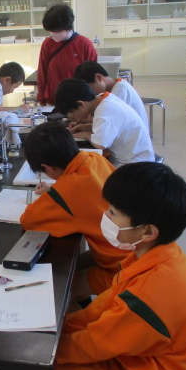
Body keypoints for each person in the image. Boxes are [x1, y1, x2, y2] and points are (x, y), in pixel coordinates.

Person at [17, 162, 186, 370]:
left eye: (113, 213)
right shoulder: (159, 257)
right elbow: (101, 311)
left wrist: (38, 349)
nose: (105, 216)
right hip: (140, 360)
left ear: (148, 232)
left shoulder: (149, 294)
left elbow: (94, 343)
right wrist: (54, 329)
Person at [20, 122, 123, 298]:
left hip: (122, 270)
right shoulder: (94, 159)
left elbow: (28, 220)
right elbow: (87, 195)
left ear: (48, 167)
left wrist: (54, 195)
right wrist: (55, 192)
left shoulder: (67, 190)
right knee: (72, 266)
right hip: (129, 251)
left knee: (57, 293)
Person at [54, 79, 154, 167]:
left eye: (71, 112)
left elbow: (100, 143)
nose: (71, 116)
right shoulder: (103, 99)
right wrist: (84, 127)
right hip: (131, 158)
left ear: (81, 104)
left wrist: (86, 135)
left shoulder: (105, 110)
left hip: (134, 164)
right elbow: (108, 127)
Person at [37, 4, 98, 106]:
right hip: (53, 102)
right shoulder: (48, 44)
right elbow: (42, 74)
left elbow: (92, 78)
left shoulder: (84, 44)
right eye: (51, 31)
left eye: (57, 30)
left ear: (67, 27)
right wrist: (41, 100)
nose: (53, 34)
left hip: (78, 104)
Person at [75, 61, 148, 126]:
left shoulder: (120, 89)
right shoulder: (114, 88)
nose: (91, 93)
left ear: (99, 78)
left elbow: (107, 119)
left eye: (91, 88)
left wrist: (78, 118)